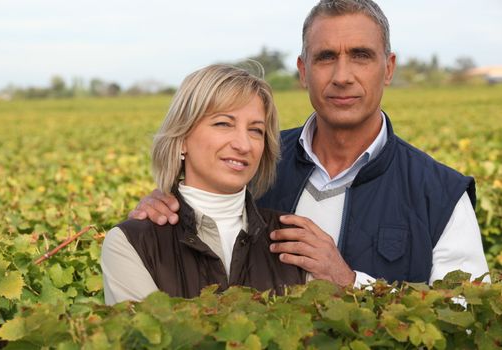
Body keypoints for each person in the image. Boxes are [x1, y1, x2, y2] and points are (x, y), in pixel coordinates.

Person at [129, 0, 490, 287]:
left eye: (361, 56)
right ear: (304, 72)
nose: (342, 76)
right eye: (326, 57)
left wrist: (350, 282)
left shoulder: (441, 194)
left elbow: (463, 317)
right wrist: (162, 211)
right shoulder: (252, 161)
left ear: (389, 68)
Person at [101, 64, 305, 305]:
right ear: (182, 138)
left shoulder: (293, 239)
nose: (243, 144)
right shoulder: (130, 243)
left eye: (256, 130)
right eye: (223, 124)